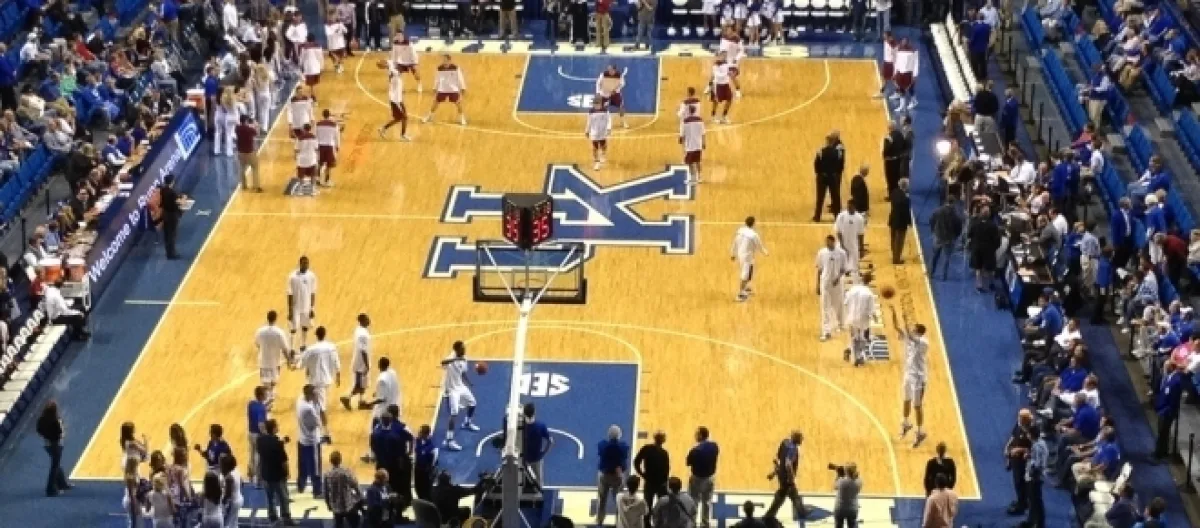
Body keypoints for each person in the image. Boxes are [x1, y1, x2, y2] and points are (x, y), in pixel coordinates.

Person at [893, 306, 930, 447]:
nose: (912, 330)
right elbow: (897, 328)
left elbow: (909, 335)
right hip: (908, 374)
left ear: (918, 332)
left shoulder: (924, 342)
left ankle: (920, 432)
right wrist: (893, 313)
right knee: (906, 400)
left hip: (919, 378)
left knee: (917, 406)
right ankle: (906, 423)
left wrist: (905, 320)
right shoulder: (910, 339)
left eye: (914, 329)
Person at [256, 419, 297, 525]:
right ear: (274, 429)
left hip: (266, 474)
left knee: (270, 498)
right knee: (284, 498)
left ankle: (273, 518)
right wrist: (287, 473)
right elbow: (284, 461)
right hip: (278, 476)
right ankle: (286, 518)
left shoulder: (260, 441)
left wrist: (282, 441)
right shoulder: (278, 444)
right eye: (277, 426)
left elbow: (269, 445)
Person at [441, 341, 480, 451]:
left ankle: (467, 422)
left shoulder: (464, 358)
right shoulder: (450, 358)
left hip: (460, 386)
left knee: (473, 403)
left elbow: (462, 372)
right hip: (452, 390)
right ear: (456, 350)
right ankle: (449, 440)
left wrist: (469, 382)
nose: (464, 350)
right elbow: (442, 362)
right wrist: (455, 359)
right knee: (454, 413)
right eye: (462, 348)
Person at [295, 327, 341, 421]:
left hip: (317, 381)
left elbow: (302, 363)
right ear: (325, 334)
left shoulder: (311, 349)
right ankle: (319, 423)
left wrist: (295, 366)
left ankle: (325, 428)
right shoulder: (331, 347)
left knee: (321, 407)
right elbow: (336, 362)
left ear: (316, 335)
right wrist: (338, 376)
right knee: (317, 403)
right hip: (327, 380)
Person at [765, 431, 808, 520]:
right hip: (787, 477)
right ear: (796, 439)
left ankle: (769, 515)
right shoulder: (793, 449)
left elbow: (776, 459)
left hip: (781, 475)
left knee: (781, 495)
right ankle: (802, 513)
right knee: (794, 495)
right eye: (801, 438)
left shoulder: (784, 442)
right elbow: (788, 464)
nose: (802, 440)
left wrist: (774, 473)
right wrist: (791, 477)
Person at [595, 424, 631, 525]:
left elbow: (600, 451)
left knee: (602, 499)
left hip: (604, 475)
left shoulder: (602, 445)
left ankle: (600, 521)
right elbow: (624, 455)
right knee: (619, 500)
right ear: (619, 435)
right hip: (617, 476)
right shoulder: (623, 447)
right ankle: (618, 522)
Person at [36, 401, 71, 496]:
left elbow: (38, 430)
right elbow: (60, 433)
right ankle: (50, 489)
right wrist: (60, 436)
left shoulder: (41, 419)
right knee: (54, 467)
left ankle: (62, 484)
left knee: (56, 464)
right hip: (56, 445)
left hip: (47, 444)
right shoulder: (56, 421)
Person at [816, 235, 848, 341]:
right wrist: (817, 285)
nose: (827, 244)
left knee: (838, 304)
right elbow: (819, 269)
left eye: (829, 242)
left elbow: (843, 269)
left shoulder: (842, 253)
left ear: (833, 242)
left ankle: (841, 324)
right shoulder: (821, 253)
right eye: (826, 242)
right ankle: (826, 331)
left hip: (837, 284)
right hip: (825, 283)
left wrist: (837, 278)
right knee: (825, 307)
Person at [686, 426, 719, 528]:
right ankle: (705, 523)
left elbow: (688, 463)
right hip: (709, 478)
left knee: (694, 501)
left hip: (697, 479)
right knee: (707, 502)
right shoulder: (714, 446)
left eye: (696, 434)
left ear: (700, 435)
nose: (695, 436)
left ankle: (693, 523)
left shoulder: (695, 451)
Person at [256, 310, 290, 408]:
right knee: (273, 381)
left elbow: (257, 344)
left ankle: (268, 399)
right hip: (275, 361)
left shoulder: (260, 331)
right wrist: (288, 360)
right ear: (275, 319)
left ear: (267, 318)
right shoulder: (279, 333)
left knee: (265, 381)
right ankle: (270, 397)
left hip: (263, 360)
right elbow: (285, 349)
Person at [422, 55, 468, 126]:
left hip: (453, 89)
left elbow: (460, 78)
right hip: (442, 89)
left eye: (445, 60)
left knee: (458, 103)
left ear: (449, 61)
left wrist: (463, 87)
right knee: (435, 102)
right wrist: (434, 88)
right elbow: (437, 79)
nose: (444, 62)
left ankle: (462, 118)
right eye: (443, 60)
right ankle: (430, 116)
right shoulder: (439, 68)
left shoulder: (455, 68)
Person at [297, 384, 325, 497]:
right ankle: (317, 491)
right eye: (314, 393)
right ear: (309, 395)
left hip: (301, 438)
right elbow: (317, 423)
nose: (316, 395)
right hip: (311, 441)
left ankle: (301, 486)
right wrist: (318, 404)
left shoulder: (300, 400)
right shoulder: (308, 409)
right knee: (315, 468)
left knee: (302, 465)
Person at [633, 431, 670, 518]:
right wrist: (666, 482)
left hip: (650, 481)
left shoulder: (647, 449)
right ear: (663, 440)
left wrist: (642, 474)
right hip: (660, 483)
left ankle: (647, 523)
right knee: (662, 506)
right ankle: (659, 523)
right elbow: (666, 469)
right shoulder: (664, 453)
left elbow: (636, 462)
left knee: (648, 505)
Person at [731, 216, 768, 302]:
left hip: (740, 255)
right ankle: (740, 294)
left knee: (748, 273)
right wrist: (765, 252)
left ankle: (746, 288)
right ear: (753, 223)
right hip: (748, 257)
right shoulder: (753, 235)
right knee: (745, 275)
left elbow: (735, 243)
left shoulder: (740, 232)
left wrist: (733, 254)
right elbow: (759, 246)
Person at [341, 313, 373, 411]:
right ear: (362, 321)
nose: (369, 320)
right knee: (359, 385)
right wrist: (367, 364)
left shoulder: (359, 330)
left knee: (363, 384)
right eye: (367, 319)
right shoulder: (363, 334)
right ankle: (347, 397)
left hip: (359, 360)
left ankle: (362, 402)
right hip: (361, 363)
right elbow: (363, 350)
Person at [843, 274, 876, 366]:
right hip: (862, 319)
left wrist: (849, 312)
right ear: (870, 281)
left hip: (851, 317)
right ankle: (857, 357)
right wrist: (875, 318)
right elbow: (871, 311)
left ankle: (851, 352)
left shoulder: (853, 289)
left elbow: (845, 303)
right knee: (862, 339)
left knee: (855, 338)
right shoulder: (869, 294)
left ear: (862, 279)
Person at [287, 256, 318, 353]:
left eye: (307, 263)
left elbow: (313, 293)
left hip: (306, 307)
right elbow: (289, 294)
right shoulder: (292, 276)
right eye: (304, 263)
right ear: (300, 264)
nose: (306, 265)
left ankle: (303, 345)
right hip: (295, 307)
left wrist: (312, 308)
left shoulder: (312, 276)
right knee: (293, 328)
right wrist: (290, 310)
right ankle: (292, 349)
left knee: (305, 326)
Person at [1153, 361, 1184, 460]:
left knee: (1162, 432)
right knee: (1164, 432)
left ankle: (1158, 454)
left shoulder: (1176, 381)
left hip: (1167, 411)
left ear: (1172, 367)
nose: (1164, 369)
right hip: (1163, 408)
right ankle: (1164, 451)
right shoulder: (1169, 377)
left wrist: (1166, 411)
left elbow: (1174, 400)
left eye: (1166, 367)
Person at [324, 451, 362, 528]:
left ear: (330, 461)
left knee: (338, 524)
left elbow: (326, 491)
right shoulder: (346, 472)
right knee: (355, 523)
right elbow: (355, 484)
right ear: (340, 460)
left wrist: (328, 504)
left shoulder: (327, 474)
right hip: (348, 505)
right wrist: (359, 496)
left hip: (335, 506)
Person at [928, 197, 963, 280]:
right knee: (946, 258)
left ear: (946, 201)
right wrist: (955, 236)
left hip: (938, 236)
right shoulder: (955, 214)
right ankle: (943, 276)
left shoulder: (938, 210)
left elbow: (931, 219)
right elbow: (959, 226)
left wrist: (933, 230)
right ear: (953, 203)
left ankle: (931, 272)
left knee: (935, 255)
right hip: (949, 239)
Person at [813, 133, 846, 221]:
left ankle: (817, 216)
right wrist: (836, 173)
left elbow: (816, 164)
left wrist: (819, 173)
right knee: (835, 197)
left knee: (820, 197)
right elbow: (840, 165)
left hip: (822, 177)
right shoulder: (837, 153)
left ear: (827, 142)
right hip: (833, 177)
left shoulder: (820, 151)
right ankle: (837, 216)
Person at [522, 403, 553, 485]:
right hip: (536, 458)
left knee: (521, 480)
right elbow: (550, 441)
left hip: (523, 459)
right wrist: (543, 453)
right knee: (538, 482)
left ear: (524, 413)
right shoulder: (541, 426)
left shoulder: (521, 427)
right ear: (534, 413)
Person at [379, 64, 412, 141]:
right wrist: (387, 66)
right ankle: (403, 135)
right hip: (396, 101)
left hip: (398, 100)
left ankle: (383, 128)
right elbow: (392, 69)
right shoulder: (396, 75)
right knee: (404, 117)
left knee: (398, 118)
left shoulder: (396, 75)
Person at [1024, 427, 1048, 528]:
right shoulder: (1042, 443)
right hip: (1038, 475)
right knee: (1035, 500)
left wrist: (1032, 474)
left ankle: (1038, 523)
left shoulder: (1036, 446)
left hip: (1035, 477)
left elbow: (1037, 464)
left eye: (1028, 434)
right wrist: (1030, 456)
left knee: (1035, 501)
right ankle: (1033, 521)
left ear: (1031, 435)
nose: (1027, 435)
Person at [834, 201, 866, 275]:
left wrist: (861, 249)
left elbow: (861, 234)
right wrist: (842, 245)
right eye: (848, 206)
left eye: (851, 207)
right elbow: (838, 231)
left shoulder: (859, 218)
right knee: (840, 268)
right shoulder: (841, 216)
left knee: (854, 269)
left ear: (854, 207)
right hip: (841, 246)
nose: (849, 208)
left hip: (853, 246)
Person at [247, 387, 269, 485]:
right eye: (265, 394)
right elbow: (260, 424)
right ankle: (259, 480)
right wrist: (266, 434)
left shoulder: (251, 404)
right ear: (260, 396)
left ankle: (251, 477)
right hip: (258, 435)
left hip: (251, 433)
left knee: (251, 456)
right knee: (259, 457)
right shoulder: (261, 408)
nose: (266, 395)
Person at [234, 115, 262, 192]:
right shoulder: (250, 130)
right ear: (246, 121)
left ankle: (243, 185)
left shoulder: (237, 128)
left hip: (240, 152)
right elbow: (257, 133)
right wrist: (256, 125)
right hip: (250, 152)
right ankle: (256, 186)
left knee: (242, 168)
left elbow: (239, 127)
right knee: (255, 167)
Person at [157, 174, 181, 259]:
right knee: (172, 235)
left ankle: (168, 253)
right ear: (172, 182)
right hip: (172, 215)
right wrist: (183, 199)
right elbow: (178, 202)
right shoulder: (172, 192)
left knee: (167, 235)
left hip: (165, 214)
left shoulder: (163, 190)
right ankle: (172, 254)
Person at [889, 178, 912, 265]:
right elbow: (906, 212)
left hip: (893, 219)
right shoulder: (905, 199)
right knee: (899, 241)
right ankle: (896, 259)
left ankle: (894, 255)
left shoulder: (894, 192)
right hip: (901, 222)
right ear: (906, 187)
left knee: (893, 239)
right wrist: (909, 222)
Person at [708, 51, 735, 124]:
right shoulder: (715, 66)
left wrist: (732, 73)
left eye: (725, 56)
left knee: (729, 99)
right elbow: (718, 75)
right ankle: (713, 116)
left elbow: (731, 69)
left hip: (726, 84)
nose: (724, 57)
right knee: (716, 102)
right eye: (723, 56)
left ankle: (724, 116)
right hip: (717, 85)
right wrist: (727, 73)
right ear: (719, 56)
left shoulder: (726, 64)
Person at [681, 106, 706, 184]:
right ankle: (699, 177)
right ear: (695, 111)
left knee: (689, 162)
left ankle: (692, 178)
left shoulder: (685, 121)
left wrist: (683, 146)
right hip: (698, 144)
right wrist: (704, 142)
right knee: (698, 161)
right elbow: (703, 133)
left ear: (689, 111)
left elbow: (683, 135)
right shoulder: (700, 120)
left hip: (689, 145)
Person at [586, 97, 612, 171]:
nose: (595, 105)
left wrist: (609, 128)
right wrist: (587, 131)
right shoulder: (591, 111)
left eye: (597, 104)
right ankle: (597, 162)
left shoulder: (605, 111)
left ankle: (603, 155)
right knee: (595, 148)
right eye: (594, 104)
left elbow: (609, 120)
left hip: (602, 132)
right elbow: (589, 122)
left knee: (603, 145)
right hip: (594, 132)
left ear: (600, 104)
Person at [832, 463, 861, 528]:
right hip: (853, 508)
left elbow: (835, 487)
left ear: (846, 471)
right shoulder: (859, 481)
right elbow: (858, 490)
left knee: (838, 526)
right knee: (852, 525)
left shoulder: (841, 481)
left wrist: (838, 475)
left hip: (840, 508)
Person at [413, 425, 438, 500]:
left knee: (426, 490)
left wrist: (430, 471)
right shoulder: (417, 441)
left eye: (420, 432)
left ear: (426, 434)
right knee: (417, 487)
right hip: (417, 469)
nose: (418, 433)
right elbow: (416, 453)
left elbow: (434, 462)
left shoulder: (432, 447)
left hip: (426, 472)